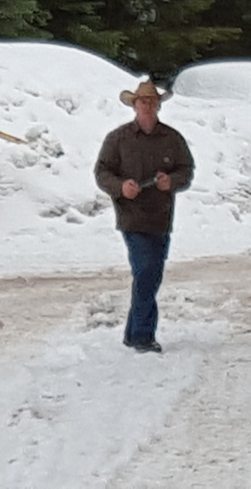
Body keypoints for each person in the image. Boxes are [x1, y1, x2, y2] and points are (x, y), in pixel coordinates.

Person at [93, 82, 194, 352]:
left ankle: (133, 334)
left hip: (161, 218)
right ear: (134, 106)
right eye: (142, 103)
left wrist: (170, 181)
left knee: (150, 275)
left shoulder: (172, 139)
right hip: (132, 218)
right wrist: (121, 187)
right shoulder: (118, 139)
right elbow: (102, 173)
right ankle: (142, 337)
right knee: (146, 270)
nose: (147, 107)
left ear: (158, 106)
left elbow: (186, 171)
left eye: (151, 102)